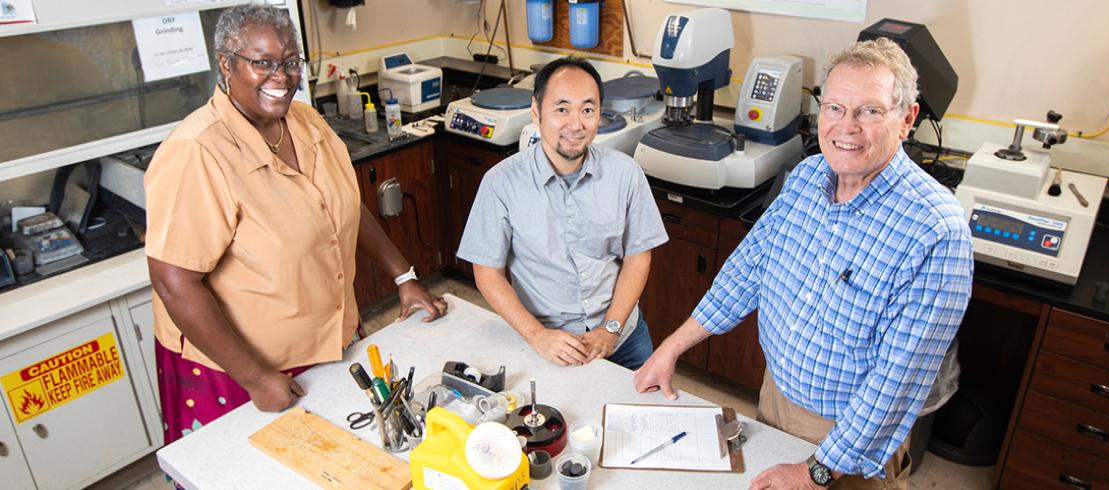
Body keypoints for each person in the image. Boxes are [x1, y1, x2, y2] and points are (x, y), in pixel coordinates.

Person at [633, 38, 973, 489]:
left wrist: (813, 473)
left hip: (850, 439)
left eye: (869, 111)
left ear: (907, 120)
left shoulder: (935, 231)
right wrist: (673, 347)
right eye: (834, 108)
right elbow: (747, 271)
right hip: (775, 397)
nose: (846, 127)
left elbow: (897, 382)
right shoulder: (809, 177)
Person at [144, 4, 447, 446]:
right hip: (241, 368)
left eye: (290, 62)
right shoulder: (196, 152)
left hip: (327, 338)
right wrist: (254, 376)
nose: (282, 76)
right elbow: (173, 282)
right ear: (226, 64)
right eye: (263, 62)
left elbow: (342, 206)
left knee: (342, 456)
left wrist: (404, 277)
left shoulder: (305, 122)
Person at [457, 57, 667, 370]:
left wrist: (610, 329)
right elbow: (488, 272)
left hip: (623, 336)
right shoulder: (501, 183)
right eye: (561, 109)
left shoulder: (626, 174)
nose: (576, 124)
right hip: (547, 342)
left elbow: (638, 257)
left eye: (587, 110)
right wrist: (536, 335)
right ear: (536, 111)